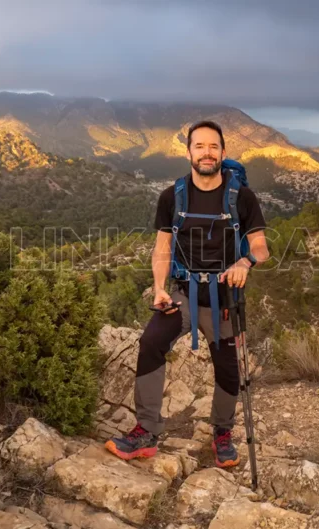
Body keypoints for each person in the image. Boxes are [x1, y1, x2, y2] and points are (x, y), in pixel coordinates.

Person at [105, 120, 269, 468]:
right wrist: (160, 287)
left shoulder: (242, 196)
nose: (207, 153)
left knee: (228, 370)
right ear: (188, 152)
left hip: (225, 300)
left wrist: (245, 261)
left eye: (213, 147)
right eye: (200, 146)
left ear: (223, 153)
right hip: (183, 294)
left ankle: (221, 433)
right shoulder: (173, 196)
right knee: (151, 342)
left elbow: (261, 246)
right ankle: (146, 431)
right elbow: (162, 247)